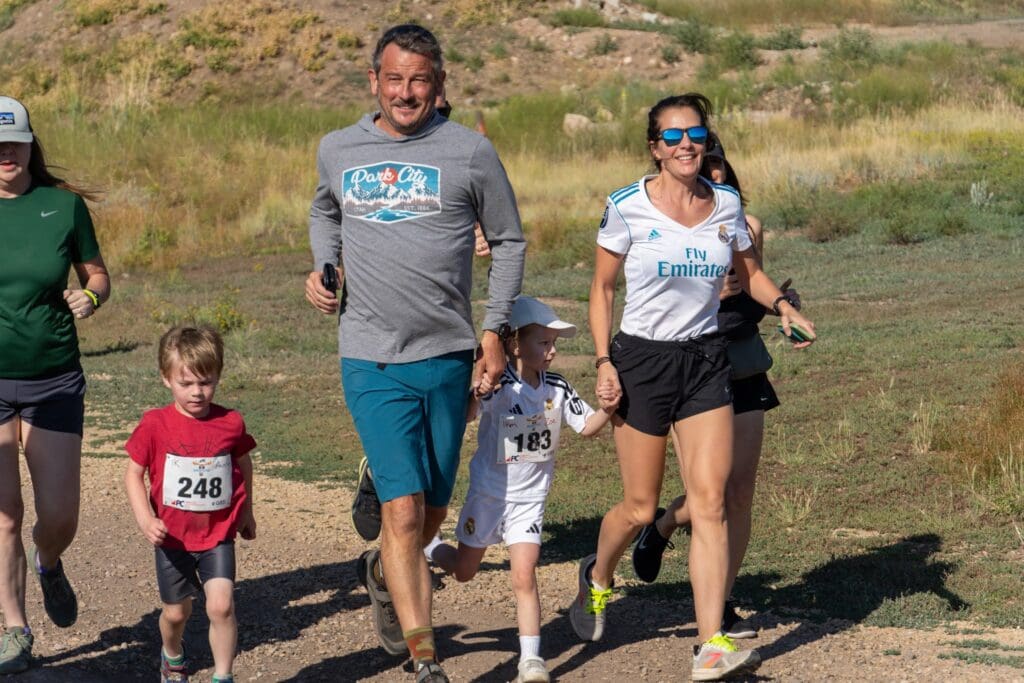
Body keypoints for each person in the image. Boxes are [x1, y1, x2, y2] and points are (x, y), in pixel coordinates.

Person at [304, 24, 526, 683]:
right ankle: (426, 658)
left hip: (450, 355)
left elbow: (509, 241)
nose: (406, 92)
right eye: (394, 78)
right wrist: (324, 265)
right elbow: (325, 210)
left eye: (419, 80)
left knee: (427, 515)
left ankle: (379, 567)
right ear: (373, 80)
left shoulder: (469, 152)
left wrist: (493, 329)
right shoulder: (339, 148)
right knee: (402, 514)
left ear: (439, 85)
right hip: (369, 354)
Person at [570, 93, 815, 681]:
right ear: (655, 147)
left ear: (705, 141)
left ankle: (710, 643)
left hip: (707, 360)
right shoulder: (627, 206)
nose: (686, 145)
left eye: (695, 134)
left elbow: (749, 273)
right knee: (640, 507)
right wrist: (604, 361)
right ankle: (598, 576)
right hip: (642, 362)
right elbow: (603, 291)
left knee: (710, 502)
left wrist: (780, 305)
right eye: (673, 136)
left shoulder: (726, 203)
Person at [631, 133, 801, 641]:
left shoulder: (745, 224)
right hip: (690, 363)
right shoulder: (660, 222)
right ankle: (663, 532)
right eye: (707, 168)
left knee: (740, 492)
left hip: (741, 361)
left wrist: (777, 301)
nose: (714, 176)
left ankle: (721, 600)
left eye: (719, 167)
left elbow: (755, 289)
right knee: (712, 492)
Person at [424, 296, 618, 683]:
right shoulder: (500, 387)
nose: (552, 351)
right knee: (464, 571)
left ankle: (531, 660)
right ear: (515, 346)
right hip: (489, 494)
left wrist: (609, 408)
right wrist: (477, 391)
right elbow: (465, 415)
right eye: (543, 343)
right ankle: (431, 548)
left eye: (553, 343)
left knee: (524, 576)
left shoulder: (558, 388)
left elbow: (587, 428)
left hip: (530, 501)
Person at [0, 95, 110, 674]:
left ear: (30, 144)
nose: (5, 155)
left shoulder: (62, 207)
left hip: (53, 378)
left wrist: (89, 295)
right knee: (4, 514)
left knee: (59, 516)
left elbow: (97, 273)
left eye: (14, 142)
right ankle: (15, 630)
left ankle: (49, 562)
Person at [124, 325, 256, 683]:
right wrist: (144, 518)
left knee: (222, 605)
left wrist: (246, 511)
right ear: (166, 379)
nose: (198, 392)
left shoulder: (230, 422)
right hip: (173, 539)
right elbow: (133, 474)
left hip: (217, 534)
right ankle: (172, 653)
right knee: (177, 613)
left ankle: (223, 675)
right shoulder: (155, 424)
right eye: (187, 384)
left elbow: (243, 463)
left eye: (206, 382)